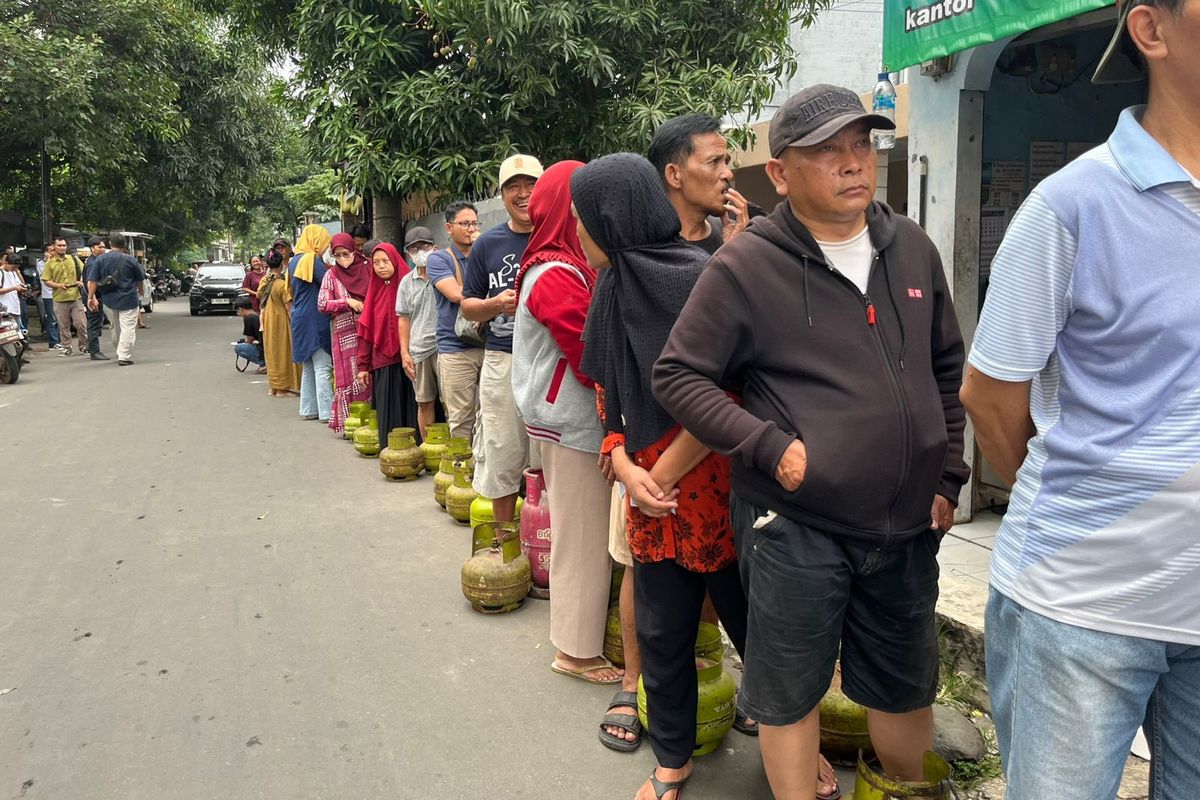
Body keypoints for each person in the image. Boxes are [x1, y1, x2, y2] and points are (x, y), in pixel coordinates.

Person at [653, 84, 970, 800]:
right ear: (780, 173)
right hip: (794, 526)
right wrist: (766, 446)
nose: (853, 162)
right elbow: (678, 375)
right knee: (790, 693)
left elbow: (946, 369)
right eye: (827, 151)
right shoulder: (746, 266)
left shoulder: (910, 247)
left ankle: (902, 790)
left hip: (907, 526)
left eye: (862, 144)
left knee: (902, 688)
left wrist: (950, 475)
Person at [960, 3, 1200, 798]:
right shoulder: (1073, 205)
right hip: (1081, 605)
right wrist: (1089, 503)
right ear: (1152, 31)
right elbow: (990, 396)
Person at [576, 154, 839, 800]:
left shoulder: (702, 280)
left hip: (721, 493)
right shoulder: (610, 293)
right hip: (650, 497)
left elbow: (730, 393)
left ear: (611, 219)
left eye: (581, 221)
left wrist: (654, 474)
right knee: (663, 636)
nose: (576, 235)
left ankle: (805, 758)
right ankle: (671, 759)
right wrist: (620, 460)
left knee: (761, 631)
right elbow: (609, 393)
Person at [512, 161, 620, 687]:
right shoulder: (556, 273)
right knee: (582, 536)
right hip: (571, 424)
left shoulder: (560, 264)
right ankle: (575, 651)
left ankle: (579, 639)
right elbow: (588, 353)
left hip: (564, 421)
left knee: (583, 532)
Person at [461, 154, 543, 524]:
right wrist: (494, 304)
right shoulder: (487, 244)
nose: (523, 194)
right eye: (513, 187)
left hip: (550, 360)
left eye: (531, 185)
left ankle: (546, 541)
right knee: (502, 449)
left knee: (548, 454)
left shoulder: (562, 234)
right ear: (502, 194)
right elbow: (467, 306)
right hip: (503, 358)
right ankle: (504, 540)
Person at [647, 114, 754, 254]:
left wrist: (736, 253)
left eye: (726, 162)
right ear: (674, 175)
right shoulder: (641, 248)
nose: (728, 174)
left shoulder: (735, 235)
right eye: (714, 162)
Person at [426, 202, 484, 440]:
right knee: (461, 417)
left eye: (474, 223)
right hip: (456, 349)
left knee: (494, 415)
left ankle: (484, 473)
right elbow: (455, 294)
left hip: (490, 344)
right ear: (449, 228)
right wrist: (492, 300)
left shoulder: (485, 253)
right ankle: (461, 470)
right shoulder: (438, 259)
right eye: (465, 224)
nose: (471, 229)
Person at [356, 243, 418, 440]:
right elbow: (366, 332)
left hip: (411, 357)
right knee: (388, 405)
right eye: (376, 263)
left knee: (415, 402)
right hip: (383, 359)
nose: (381, 266)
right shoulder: (373, 292)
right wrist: (363, 366)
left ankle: (416, 450)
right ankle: (392, 451)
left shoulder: (410, 286)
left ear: (396, 260)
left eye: (385, 261)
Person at [318, 232, 373, 434]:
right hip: (345, 336)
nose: (342, 259)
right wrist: (346, 302)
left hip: (369, 332)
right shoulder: (331, 275)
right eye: (337, 255)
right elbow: (322, 304)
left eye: (346, 254)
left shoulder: (368, 267)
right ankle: (351, 424)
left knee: (369, 375)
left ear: (354, 250)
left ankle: (373, 420)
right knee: (349, 378)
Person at [396, 227, 440, 439]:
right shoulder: (406, 282)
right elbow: (403, 318)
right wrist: (405, 353)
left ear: (435, 248)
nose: (420, 251)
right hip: (419, 350)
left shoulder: (445, 274)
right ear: (409, 253)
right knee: (424, 402)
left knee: (454, 404)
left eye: (424, 246)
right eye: (414, 248)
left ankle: (459, 455)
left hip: (447, 347)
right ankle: (429, 449)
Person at [289, 224, 335, 421]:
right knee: (322, 366)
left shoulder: (293, 261)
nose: (326, 248)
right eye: (324, 243)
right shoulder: (311, 259)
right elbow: (327, 282)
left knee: (308, 366)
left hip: (299, 317)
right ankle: (327, 412)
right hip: (314, 317)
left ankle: (308, 409)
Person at [86, 232, 145, 366]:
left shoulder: (100, 260)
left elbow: (92, 281)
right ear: (124, 245)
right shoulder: (131, 260)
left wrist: (91, 297)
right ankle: (124, 355)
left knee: (116, 328)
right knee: (128, 328)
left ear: (110, 244)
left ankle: (121, 352)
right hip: (129, 299)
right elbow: (140, 279)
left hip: (109, 300)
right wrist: (140, 291)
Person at [257, 250, 301, 397]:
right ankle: (282, 389)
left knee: (271, 352)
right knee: (283, 353)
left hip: (268, 320)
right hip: (281, 321)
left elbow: (258, 295)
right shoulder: (282, 284)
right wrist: (295, 323)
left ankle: (273, 387)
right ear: (282, 264)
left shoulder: (265, 281)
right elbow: (289, 307)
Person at [42, 236, 88, 356]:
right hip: (59, 298)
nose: (62, 248)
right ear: (54, 247)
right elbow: (46, 280)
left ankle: (84, 346)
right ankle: (67, 347)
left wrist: (81, 281)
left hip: (75, 296)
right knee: (63, 325)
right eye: (59, 245)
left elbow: (85, 271)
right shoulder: (50, 263)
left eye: (64, 245)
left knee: (81, 323)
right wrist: (58, 285)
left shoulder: (73, 258)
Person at [81, 237, 110, 361]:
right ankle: (94, 351)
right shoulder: (92, 263)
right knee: (93, 324)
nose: (102, 249)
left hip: (97, 295)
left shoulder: (98, 260)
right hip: (93, 296)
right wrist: (92, 297)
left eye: (103, 247)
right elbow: (89, 282)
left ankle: (92, 347)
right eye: (99, 247)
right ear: (92, 248)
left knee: (98, 323)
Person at [35, 246, 60, 349]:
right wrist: (48, 261)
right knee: (51, 319)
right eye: (51, 250)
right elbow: (47, 276)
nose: (54, 252)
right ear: (46, 252)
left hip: (58, 294)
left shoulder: (58, 261)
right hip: (48, 295)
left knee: (59, 319)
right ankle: (53, 342)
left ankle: (59, 341)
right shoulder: (41, 263)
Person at [233, 296, 266, 373]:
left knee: (239, 348)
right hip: (266, 345)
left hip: (263, 349)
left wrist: (245, 341)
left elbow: (250, 340)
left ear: (241, 309)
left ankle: (263, 364)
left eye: (238, 312)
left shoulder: (248, 318)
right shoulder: (256, 315)